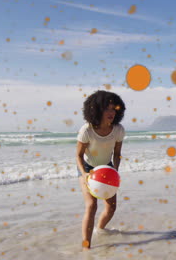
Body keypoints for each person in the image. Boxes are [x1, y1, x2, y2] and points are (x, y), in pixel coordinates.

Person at [76, 90, 126, 249]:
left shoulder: (118, 130)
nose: (111, 112)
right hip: (88, 168)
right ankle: (86, 247)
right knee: (91, 205)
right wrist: (84, 174)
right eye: (106, 109)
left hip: (107, 168)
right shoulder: (87, 130)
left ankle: (100, 229)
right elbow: (78, 155)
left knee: (111, 207)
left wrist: (115, 170)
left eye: (113, 109)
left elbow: (117, 154)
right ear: (96, 110)